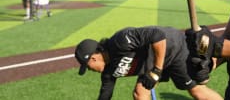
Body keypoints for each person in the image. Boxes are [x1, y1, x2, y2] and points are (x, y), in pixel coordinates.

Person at [75, 26, 222, 100]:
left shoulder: (119, 41)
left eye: (88, 67)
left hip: (172, 48)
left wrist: (157, 71)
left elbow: (157, 35)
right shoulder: (108, 72)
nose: (90, 70)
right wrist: (155, 70)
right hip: (153, 63)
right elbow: (105, 96)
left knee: (196, 91)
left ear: (93, 58)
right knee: (140, 93)